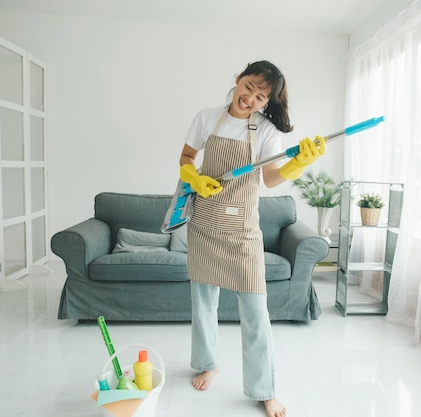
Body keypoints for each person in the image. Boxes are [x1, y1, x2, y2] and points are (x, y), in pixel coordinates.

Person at [178, 60, 325, 417]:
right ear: (238, 79)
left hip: (242, 230)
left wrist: (298, 163)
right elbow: (186, 157)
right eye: (248, 88)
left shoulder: (267, 131)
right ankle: (207, 363)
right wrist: (194, 179)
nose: (250, 99)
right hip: (203, 224)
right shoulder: (206, 117)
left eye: (260, 97)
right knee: (202, 303)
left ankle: (264, 389)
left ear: (266, 103)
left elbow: (271, 179)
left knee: (256, 312)